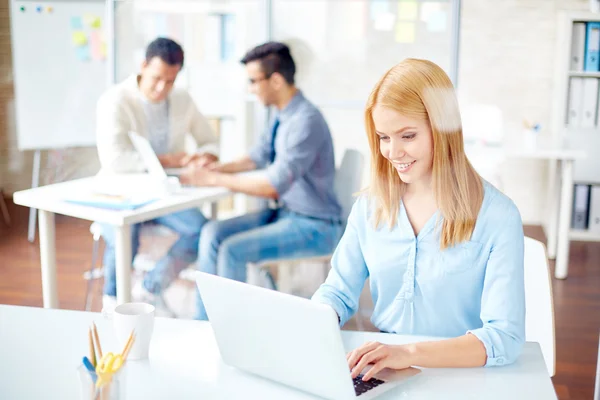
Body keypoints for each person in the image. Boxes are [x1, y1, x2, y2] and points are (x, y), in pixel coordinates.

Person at [311, 58, 526, 381]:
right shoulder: (371, 206)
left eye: (407, 136)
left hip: (462, 372)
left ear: (444, 129)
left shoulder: (497, 217)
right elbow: (338, 292)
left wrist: (407, 354)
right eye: (383, 137)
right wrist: (313, 323)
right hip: (385, 369)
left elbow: (504, 339)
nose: (393, 152)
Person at [180, 42, 343, 320]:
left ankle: (232, 331)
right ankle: (203, 324)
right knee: (211, 233)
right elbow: (257, 155)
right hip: (285, 214)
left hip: (315, 225)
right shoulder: (282, 113)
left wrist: (211, 179)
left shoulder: (305, 121)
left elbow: (271, 185)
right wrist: (219, 167)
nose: (250, 89)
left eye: (254, 81)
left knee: (231, 250)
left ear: (276, 80)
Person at [96, 37, 218, 311]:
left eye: (171, 81)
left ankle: (150, 287)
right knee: (123, 235)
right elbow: (115, 160)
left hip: (166, 192)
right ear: (143, 66)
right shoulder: (115, 100)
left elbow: (209, 141)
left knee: (202, 231)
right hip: (120, 190)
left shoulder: (183, 99)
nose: (162, 88)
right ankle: (111, 301)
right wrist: (169, 160)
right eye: (157, 78)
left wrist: (203, 157)